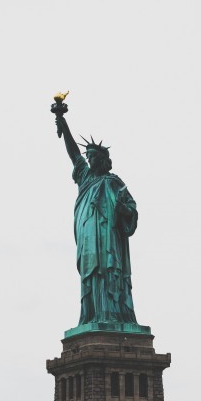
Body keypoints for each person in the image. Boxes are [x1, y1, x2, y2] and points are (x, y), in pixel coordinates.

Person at [52, 104, 138, 326]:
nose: (89, 160)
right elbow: (73, 154)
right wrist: (63, 123)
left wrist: (123, 210)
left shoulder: (114, 183)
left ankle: (112, 315)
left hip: (109, 240)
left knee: (109, 273)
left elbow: (132, 211)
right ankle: (92, 316)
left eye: (93, 157)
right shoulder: (85, 178)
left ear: (103, 160)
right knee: (91, 276)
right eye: (88, 157)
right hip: (89, 240)